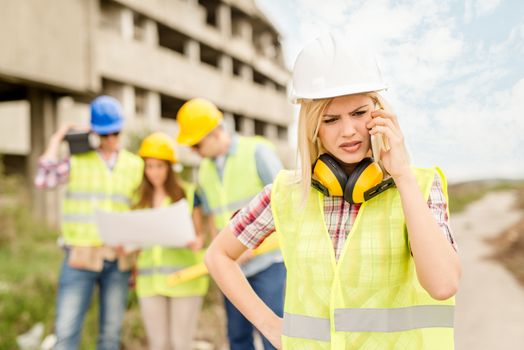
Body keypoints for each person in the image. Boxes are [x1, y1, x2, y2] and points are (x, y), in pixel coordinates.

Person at [204, 32, 461, 349]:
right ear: (313, 129)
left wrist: (402, 175)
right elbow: (218, 256)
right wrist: (269, 325)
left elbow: (443, 284)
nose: (349, 130)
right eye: (331, 119)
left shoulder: (419, 186)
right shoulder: (285, 192)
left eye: (359, 113)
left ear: (379, 114)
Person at [176, 98, 286, 350]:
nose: (193, 151)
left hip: (268, 265)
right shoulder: (204, 171)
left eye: (196, 144)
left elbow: (287, 206)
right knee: (237, 339)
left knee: (275, 337)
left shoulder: (257, 153)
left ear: (214, 133)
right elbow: (214, 217)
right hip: (233, 270)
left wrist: (252, 245)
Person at [35, 96, 144, 350]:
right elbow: (44, 179)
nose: (111, 140)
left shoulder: (134, 165)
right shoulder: (78, 161)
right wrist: (58, 139)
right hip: (80, 258)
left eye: (115, 133)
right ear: (94, 133)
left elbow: (139, 214)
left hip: (118, 261)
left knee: (110, 336)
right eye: (105, 135)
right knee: (66, 333)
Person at [134, 132, 208, 350]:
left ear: (169, 167)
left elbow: (199, 236)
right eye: (149, 166)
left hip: (184, 279)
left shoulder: (188, 193)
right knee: (158, 345)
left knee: (180, 344)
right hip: (149, 282)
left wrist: (195, 241)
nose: (154, 172)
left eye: (159, 166)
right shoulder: (139, 199)